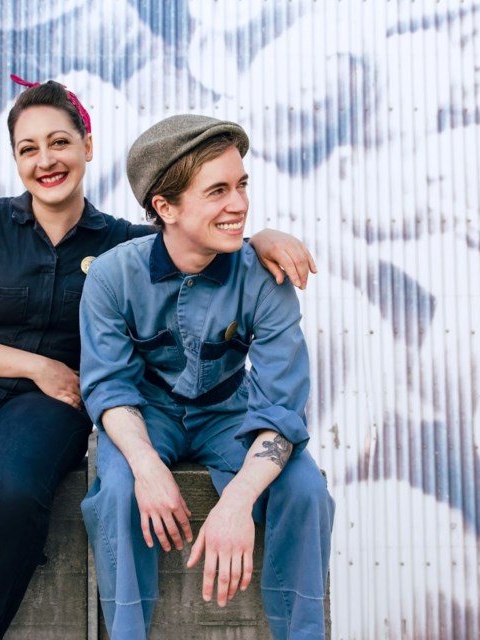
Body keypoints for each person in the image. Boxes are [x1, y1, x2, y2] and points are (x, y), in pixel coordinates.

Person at [0, 78, 318, 640]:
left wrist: (260, 236)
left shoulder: (118, 241)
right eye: (28, 148)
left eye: (60, 142)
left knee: (14, 496)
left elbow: (193, 234)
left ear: (88, 146)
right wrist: (39, 366)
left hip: (53, 406)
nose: (46, 160)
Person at [79, 114, 336, 639]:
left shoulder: (267, 278)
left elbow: (282, 407)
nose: (239, 204)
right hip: (147, 415)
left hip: (229, 414)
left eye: (241, 185)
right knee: (118, 490)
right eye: (217, 190)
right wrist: (148, 466)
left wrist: (236, 503)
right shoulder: (111, 276)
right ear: (165, 207)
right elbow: (108, 388)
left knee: (307, 488)